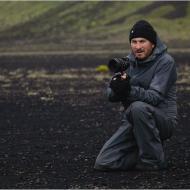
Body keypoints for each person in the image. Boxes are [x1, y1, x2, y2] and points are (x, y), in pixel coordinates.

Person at [94, 20, 178, 171]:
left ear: (152, 43)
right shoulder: (128, 62)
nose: (137, 47)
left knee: (138, 107)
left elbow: (155, 97)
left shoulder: (166, 62)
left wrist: (128, 90)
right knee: (104, 162)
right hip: (134, 119)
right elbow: (110, 95)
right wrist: (117, 87)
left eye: (142, 41)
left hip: (163, 121)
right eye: (134, 42)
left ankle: (153, 162)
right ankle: (146, 150)